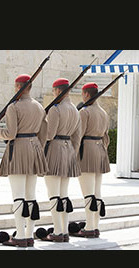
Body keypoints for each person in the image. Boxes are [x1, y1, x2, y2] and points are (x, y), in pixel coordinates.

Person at [0, 74, 48, 247]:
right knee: (31, 196)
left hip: (19, 148)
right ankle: (29, 235)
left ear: (17, 87)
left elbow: (11, 133)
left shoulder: (13, 107)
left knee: (18, 196)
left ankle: (20, 236)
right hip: (34, 148)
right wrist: (37, 148)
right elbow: (44, 133)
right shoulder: (39, 106)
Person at [42, 78, 81, 242]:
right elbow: (77, 137)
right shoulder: (75, 109)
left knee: (53, 194)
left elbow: (49, 135)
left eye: (53, 91)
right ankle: (64, 231)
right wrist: (73, 153)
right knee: (63, 195)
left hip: (56, 149)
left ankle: (58, 232)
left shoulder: (55, 109)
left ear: (57, 90)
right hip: (69, 150)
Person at [72, 82, 110, 238]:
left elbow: (79, 136)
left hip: (87, 150)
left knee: (88, 192)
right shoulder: (103, 112)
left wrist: (73, 154)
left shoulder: (85, 112)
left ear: (86, 94)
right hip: (100, 150)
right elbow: (106, 138)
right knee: (97, 192)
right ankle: (95, 225)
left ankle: (89, 227)